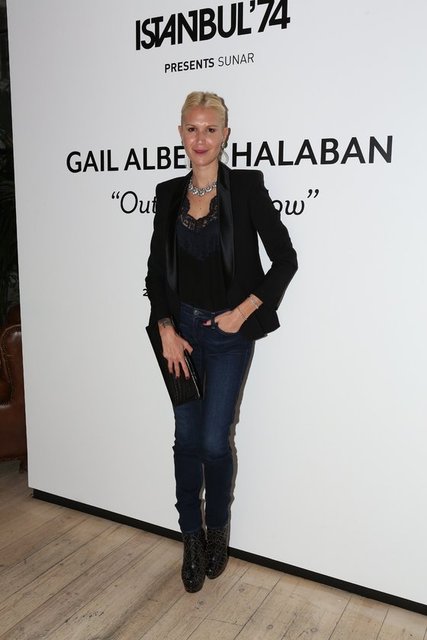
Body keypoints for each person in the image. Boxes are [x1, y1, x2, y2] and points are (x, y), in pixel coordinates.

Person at [145, 91, 297, 593]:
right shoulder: (168, 194)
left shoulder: (246, 188)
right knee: (186, 438)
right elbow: (155, 272)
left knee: (214, 440)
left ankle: (218, 529)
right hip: (180, 335)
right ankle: (190, 536)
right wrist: (165, 328)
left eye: (211, 129)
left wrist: (244, 311)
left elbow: (285, 259)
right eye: (192, 128)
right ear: (180, 133)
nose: (201, 138)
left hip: (228, 335)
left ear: (225, 135)